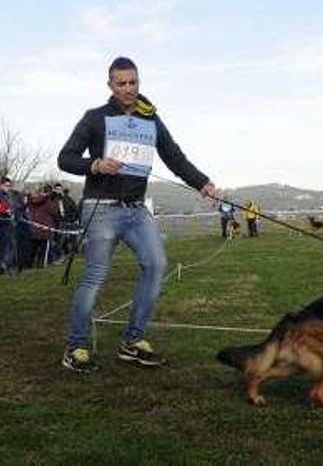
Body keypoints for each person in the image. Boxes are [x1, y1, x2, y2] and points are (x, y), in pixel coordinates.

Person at [57, 56, 217, 372]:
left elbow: (175, 158)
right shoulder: (95, 118)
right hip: (101, 210)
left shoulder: (150, 119)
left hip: (136, 210)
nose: (129, 89)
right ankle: (76, 347)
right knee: (95, 277)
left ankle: (132, 341)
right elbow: (65, 158)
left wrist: (203, 182)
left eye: (133, 82)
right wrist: (95, 164)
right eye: (122, 83)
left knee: (156, 264)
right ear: (110, 85)